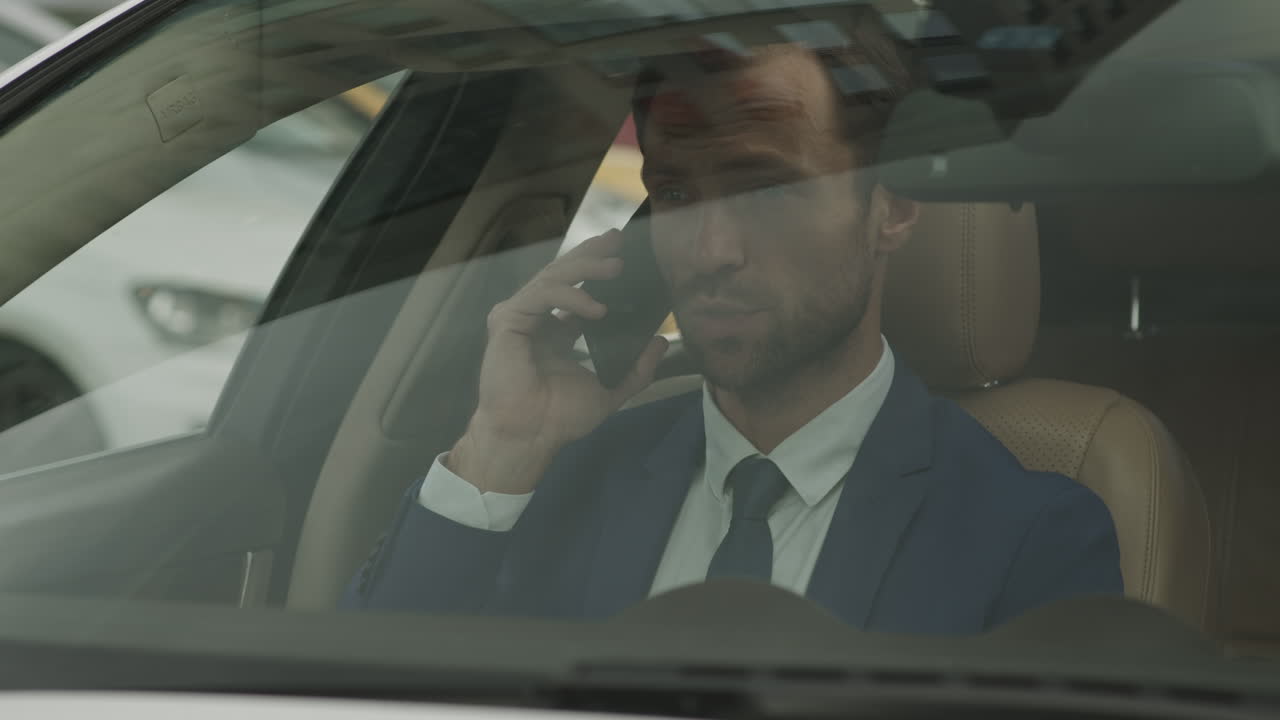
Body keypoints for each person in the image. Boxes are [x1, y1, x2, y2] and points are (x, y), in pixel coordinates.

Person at [343, 12, 1123, 633]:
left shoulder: (1029, 533)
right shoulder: (555, 477)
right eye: (678, 195)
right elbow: (369, 693)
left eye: (766, 191)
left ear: (892, 207)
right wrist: (502, 446)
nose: (711, 251)